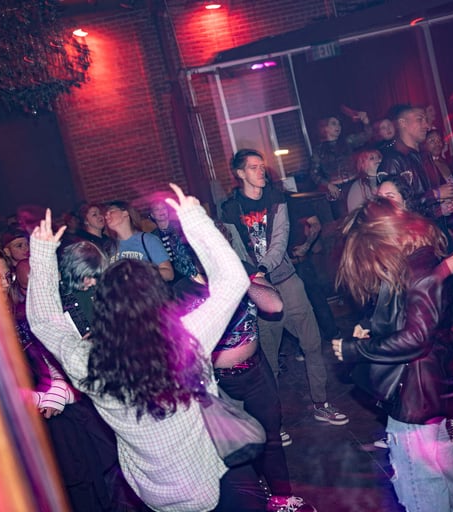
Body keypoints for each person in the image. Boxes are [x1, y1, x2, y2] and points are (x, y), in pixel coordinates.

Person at [27, 184, 267, 512]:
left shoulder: (88, 363)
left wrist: (41, 255)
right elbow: (233, 282)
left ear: (104, 306)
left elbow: (45, 323)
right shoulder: (187, 339)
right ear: (156, 299)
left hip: (153, 497)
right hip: (210, 485)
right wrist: (194, 220)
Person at [331, 198, 453, 512]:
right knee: (451, 480)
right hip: (426, 393)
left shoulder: (419, 271)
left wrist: (355, 350)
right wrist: (369, 328)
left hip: (415, 399)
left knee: (422, 492)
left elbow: (417, 339)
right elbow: (402, 317)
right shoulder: (413, 261)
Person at [175, 257, 316, 512]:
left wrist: (238, 279)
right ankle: (254, 499)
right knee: (234, 447)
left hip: (256, 372)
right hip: (217, 383)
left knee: (270, 436)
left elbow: (274, 305)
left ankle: (282, 498)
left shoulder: (239, 270)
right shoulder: (181, 291)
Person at [221, 149, 349, 426]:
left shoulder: (276, 198)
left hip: (286, 280)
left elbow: (280, 239)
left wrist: (263, 268)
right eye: (253, 167)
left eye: (261, 166)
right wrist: (254, 277)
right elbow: (236, 249)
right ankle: (273, 423)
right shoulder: (231, 208)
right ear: (240, 173)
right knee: (269, 359)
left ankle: (321, 403)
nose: (261, 171)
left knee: (312, 342)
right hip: (258, 290)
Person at [309, 113, 371, 219]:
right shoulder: (318, 150)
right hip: (337, 191)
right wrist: (328, 185)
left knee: (363, 215)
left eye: (339, 124)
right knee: (344, 220)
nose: (338, 126)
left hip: (354, 184)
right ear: (325, 128)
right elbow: (313, 173)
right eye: (334, 124)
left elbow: (367, 135)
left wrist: (366, 122)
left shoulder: (348, 141)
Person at [104, 199, 174, 282]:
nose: (106, 216)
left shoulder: (147, 240)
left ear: (125, 213)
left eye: (111, 212)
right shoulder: (109, 247)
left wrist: (140, 274)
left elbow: (169, 274)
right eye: (106, 214)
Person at [149, 197, 198, 282]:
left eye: (164, 208)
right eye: (157, 209)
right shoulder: (152, 237)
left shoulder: (181, 227)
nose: (161, 211)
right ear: (152, 215)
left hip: (188, 270)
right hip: (169, 274)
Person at [346, 148, 382, 213]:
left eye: (379, 157)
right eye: (372, 158)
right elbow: (354, 212)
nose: (378, 160)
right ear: (363, 164)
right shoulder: (358, 186)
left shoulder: (385, 177)